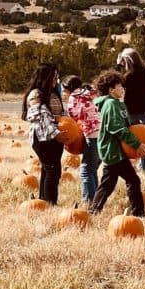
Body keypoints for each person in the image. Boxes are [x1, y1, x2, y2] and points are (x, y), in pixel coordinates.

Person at [89, 69, 145, 217]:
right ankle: (138, 214)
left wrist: (137, 126)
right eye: (120, 86)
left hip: (116, 150)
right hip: (113, 150)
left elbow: (124, 124)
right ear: (111, 89)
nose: (123, 88)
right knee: (133, 180)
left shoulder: (116, 103)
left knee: (108, 183)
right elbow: (116, 128)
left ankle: (93, 211)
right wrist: (137, 144)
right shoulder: (111, 104)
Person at [22, 64, 64, 205]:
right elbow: (41, 116)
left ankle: (44, 201)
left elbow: (60, 114)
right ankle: (50, 203)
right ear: (45, 77)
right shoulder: (36, 94)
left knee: (49, 170)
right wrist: (56, 133)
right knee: (52, 170)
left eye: (57, 76)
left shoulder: (53, 92)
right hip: (43, 138)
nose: (56, 79)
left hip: (56, 138)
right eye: (54, 77)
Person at [61, 74, 100, 203]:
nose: (63, 92)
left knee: (86, 170)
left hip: (92, 134)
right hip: (104, 133)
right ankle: (96, 198)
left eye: (63, 89)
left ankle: (89, 201)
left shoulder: (74, 97)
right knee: (93, 169)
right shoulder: (91, 92)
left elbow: (73, 118)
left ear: (68, 88)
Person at [117, 47, 145, 172]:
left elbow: (116, 81)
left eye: (124, 61)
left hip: (131, 110)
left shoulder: (129, 76)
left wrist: (118, 65)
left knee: (128, 138)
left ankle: (126, 167)